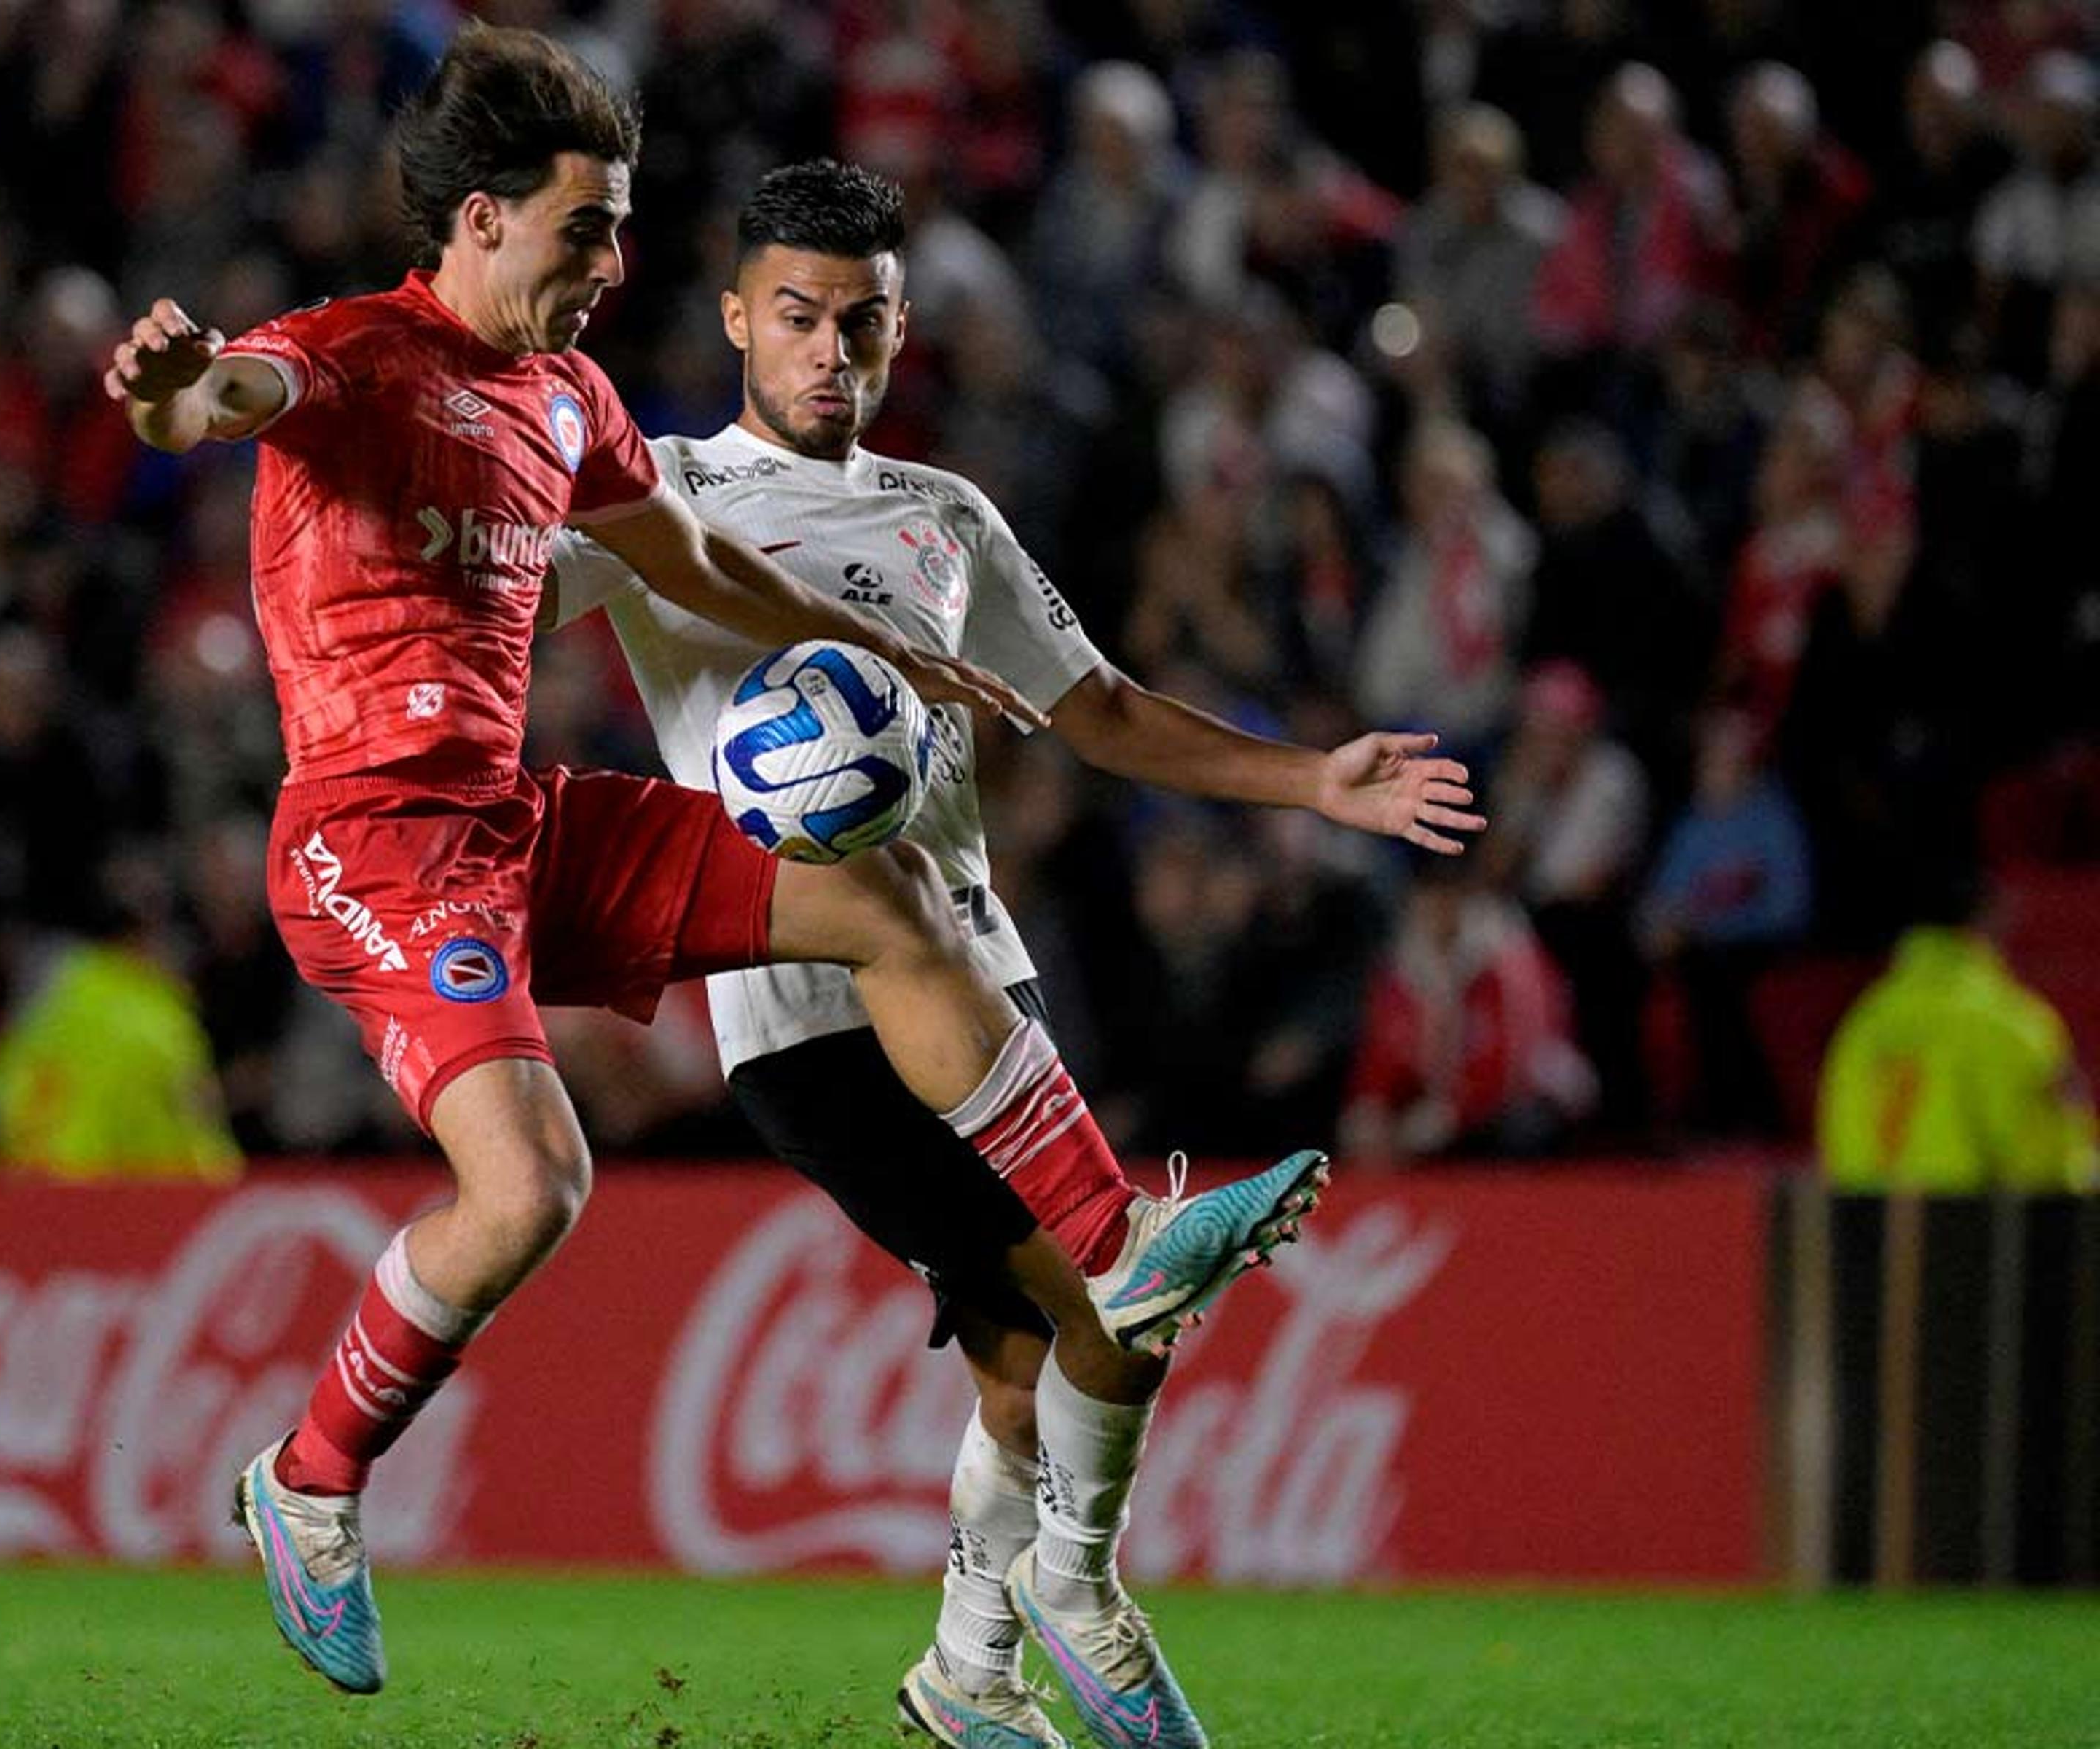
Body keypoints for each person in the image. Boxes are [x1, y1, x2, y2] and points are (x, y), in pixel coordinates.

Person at [104, 26, 1344, 1708]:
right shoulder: (349, 356)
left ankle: (1111, 1232)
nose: (614, 263)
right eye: (584, 226)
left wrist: (906, 659)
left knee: (881, 893)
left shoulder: (566, 397)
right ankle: (309, 1476)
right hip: (372, 845)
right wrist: (174, 382)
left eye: (619, 228)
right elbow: (223, 395)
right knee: (531, 1184)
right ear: (478, 221)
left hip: (516, 821)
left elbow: (693, 556)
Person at [546, 160, 1484, 1749]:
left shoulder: (945, 518)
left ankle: (970, 1672)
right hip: (799, 1005)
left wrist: (1310, 778)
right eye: (797, 318)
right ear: (735, 322)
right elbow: (481, 583)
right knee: (1105, 1304)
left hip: (983, 979)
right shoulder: (667, 500)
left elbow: (1101, 709)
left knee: (1016, 1351)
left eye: (861, 321)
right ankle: (1074, 1587)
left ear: (902, 330)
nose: (830, 350)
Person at [1817, 870, 2098, 1194]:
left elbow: (1836, 1148)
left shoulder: (1861, 1024)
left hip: (1873, 1232)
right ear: (1987, 918)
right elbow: (2052, 1170)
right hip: (1975, 1232)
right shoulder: (2009, 1023)